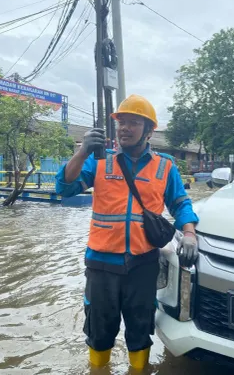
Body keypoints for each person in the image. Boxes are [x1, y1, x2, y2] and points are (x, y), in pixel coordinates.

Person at [55, 94, 199, 371]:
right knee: (98, 332)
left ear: (148, 131)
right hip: (101, 263)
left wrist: (190, 233)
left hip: (142, 264)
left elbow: (181, 203)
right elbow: (65, 187)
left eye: (133, 123)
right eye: (121, 122)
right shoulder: (98, 160)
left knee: (140, 331)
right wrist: (82, 151)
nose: (125, 128)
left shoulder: (165, 165)